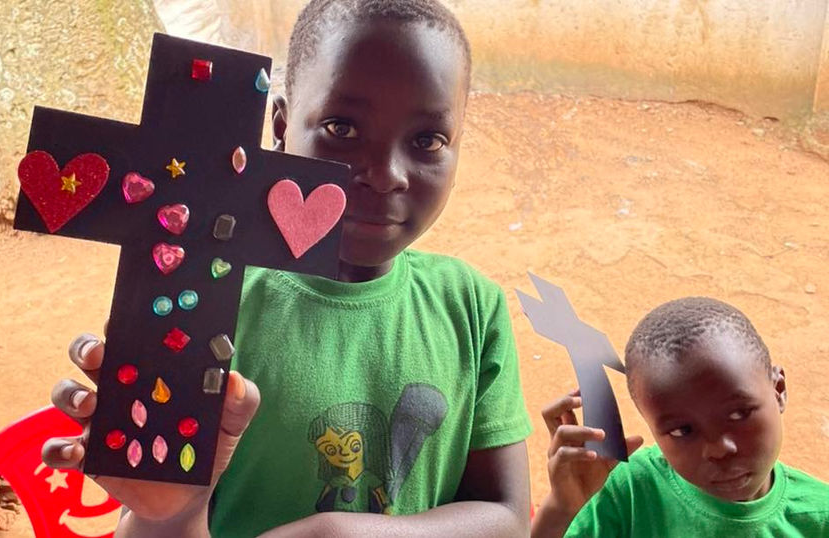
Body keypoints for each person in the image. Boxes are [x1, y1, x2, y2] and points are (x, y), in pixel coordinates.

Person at [42, 0, 534, 535]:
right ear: (279, 125)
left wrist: (338, 532)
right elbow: (156, 521)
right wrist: (169, 510)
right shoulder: (203, 300)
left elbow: (507, 517)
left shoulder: (471, 306)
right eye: (342, 128)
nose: (386, 174)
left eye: (428, 140)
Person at [532, 297, 829, 537]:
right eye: (682, 431)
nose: (719, 448)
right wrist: (562, 508)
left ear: (778, 390)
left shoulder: (818, 517)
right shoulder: (629, 493)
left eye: (739, 413)